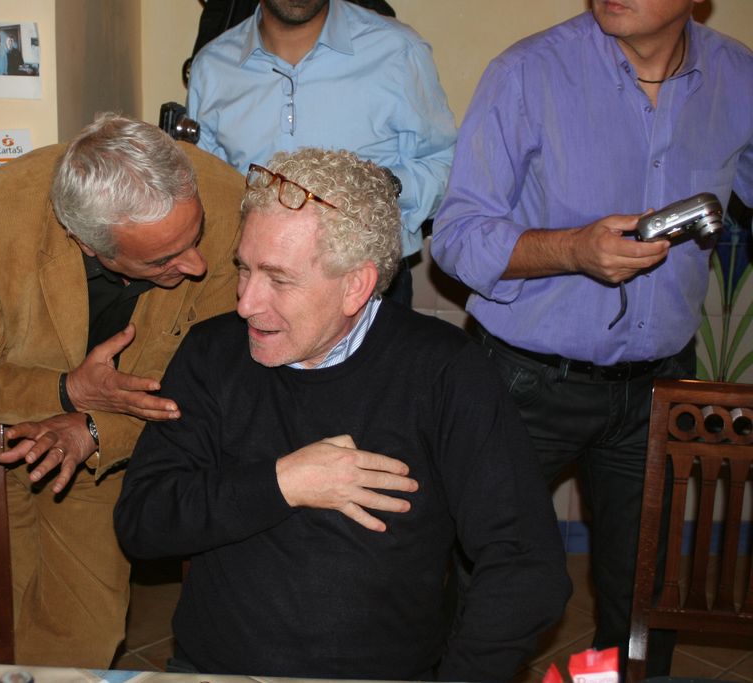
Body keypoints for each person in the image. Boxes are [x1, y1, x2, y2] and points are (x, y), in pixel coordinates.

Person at [114, 148, 570, 682]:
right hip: (216, 670)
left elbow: (525, 563)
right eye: (244, 268)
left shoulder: (444, 371)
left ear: (355, 285)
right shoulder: (212, 353)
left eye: (278, 279)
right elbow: (143, 523)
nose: (245, 303)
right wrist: (283, 482)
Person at [430, 0, 753, 675]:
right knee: (485, 581)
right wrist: (572, 250)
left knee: (644, 596)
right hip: (524, 383)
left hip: (662, 384)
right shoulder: (527, 73)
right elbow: (456, 238)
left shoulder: (738, 77)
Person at [0, 113, 245, 667]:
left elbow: (212, 384)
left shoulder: (227, 202)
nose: (195, 265)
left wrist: (92, 426)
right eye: (162, 260)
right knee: (0, 616)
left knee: (85, 629)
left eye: (193, 239)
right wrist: (70, 390)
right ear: (88, 243)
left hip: (113, 435)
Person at [186, 0, 456, 304]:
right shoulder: (212, 66)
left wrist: (378, 189)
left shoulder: (397, 49)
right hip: (253, 283)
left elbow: (444, 163)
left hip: (367, 279)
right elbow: (208, 188)